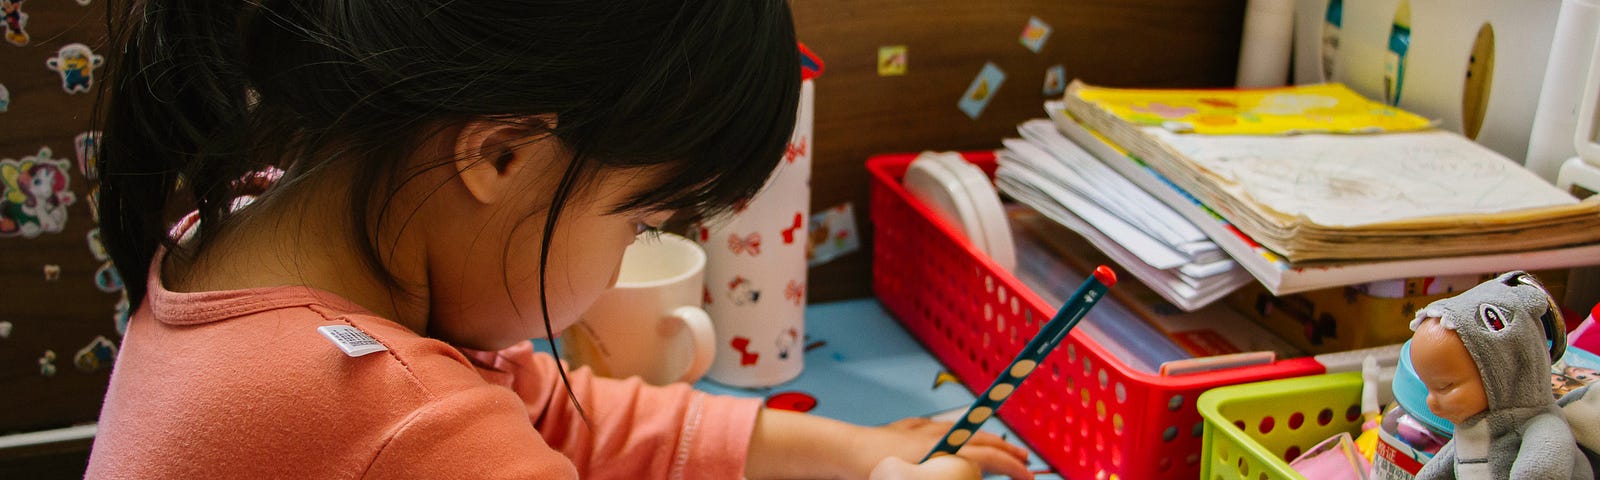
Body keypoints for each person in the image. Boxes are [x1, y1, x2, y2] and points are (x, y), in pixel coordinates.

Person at [83, 1, 1033, 479]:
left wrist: (848, 452)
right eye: (643, 222)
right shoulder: (388, 410)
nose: (631, 257)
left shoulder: (242, 225)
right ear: (499, 153)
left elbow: (552, 411)